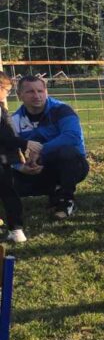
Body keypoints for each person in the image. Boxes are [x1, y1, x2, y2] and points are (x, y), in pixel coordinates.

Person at [4, 75, 89, 221]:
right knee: (5, 175)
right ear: (19, 95)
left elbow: (72, 136)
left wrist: (41, 150)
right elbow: (8, 149)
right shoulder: (15, 120)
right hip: (36, 169)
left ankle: (66, 201)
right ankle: (54, 190)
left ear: (46, 92)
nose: (36, 96)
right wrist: (20, 167)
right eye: (30, 92)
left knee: (67, 152)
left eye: (40, 91)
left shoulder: (62, 110)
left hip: (72, 164)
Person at [0, 74, 33, 242]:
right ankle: (16, 229)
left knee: (8, 193)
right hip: (3, 159)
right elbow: (6, 135)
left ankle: (16, 230)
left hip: (5, 158)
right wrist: (24, 144)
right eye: (7, 90)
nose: (7, 94)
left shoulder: (1, 109)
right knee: (9, 193)